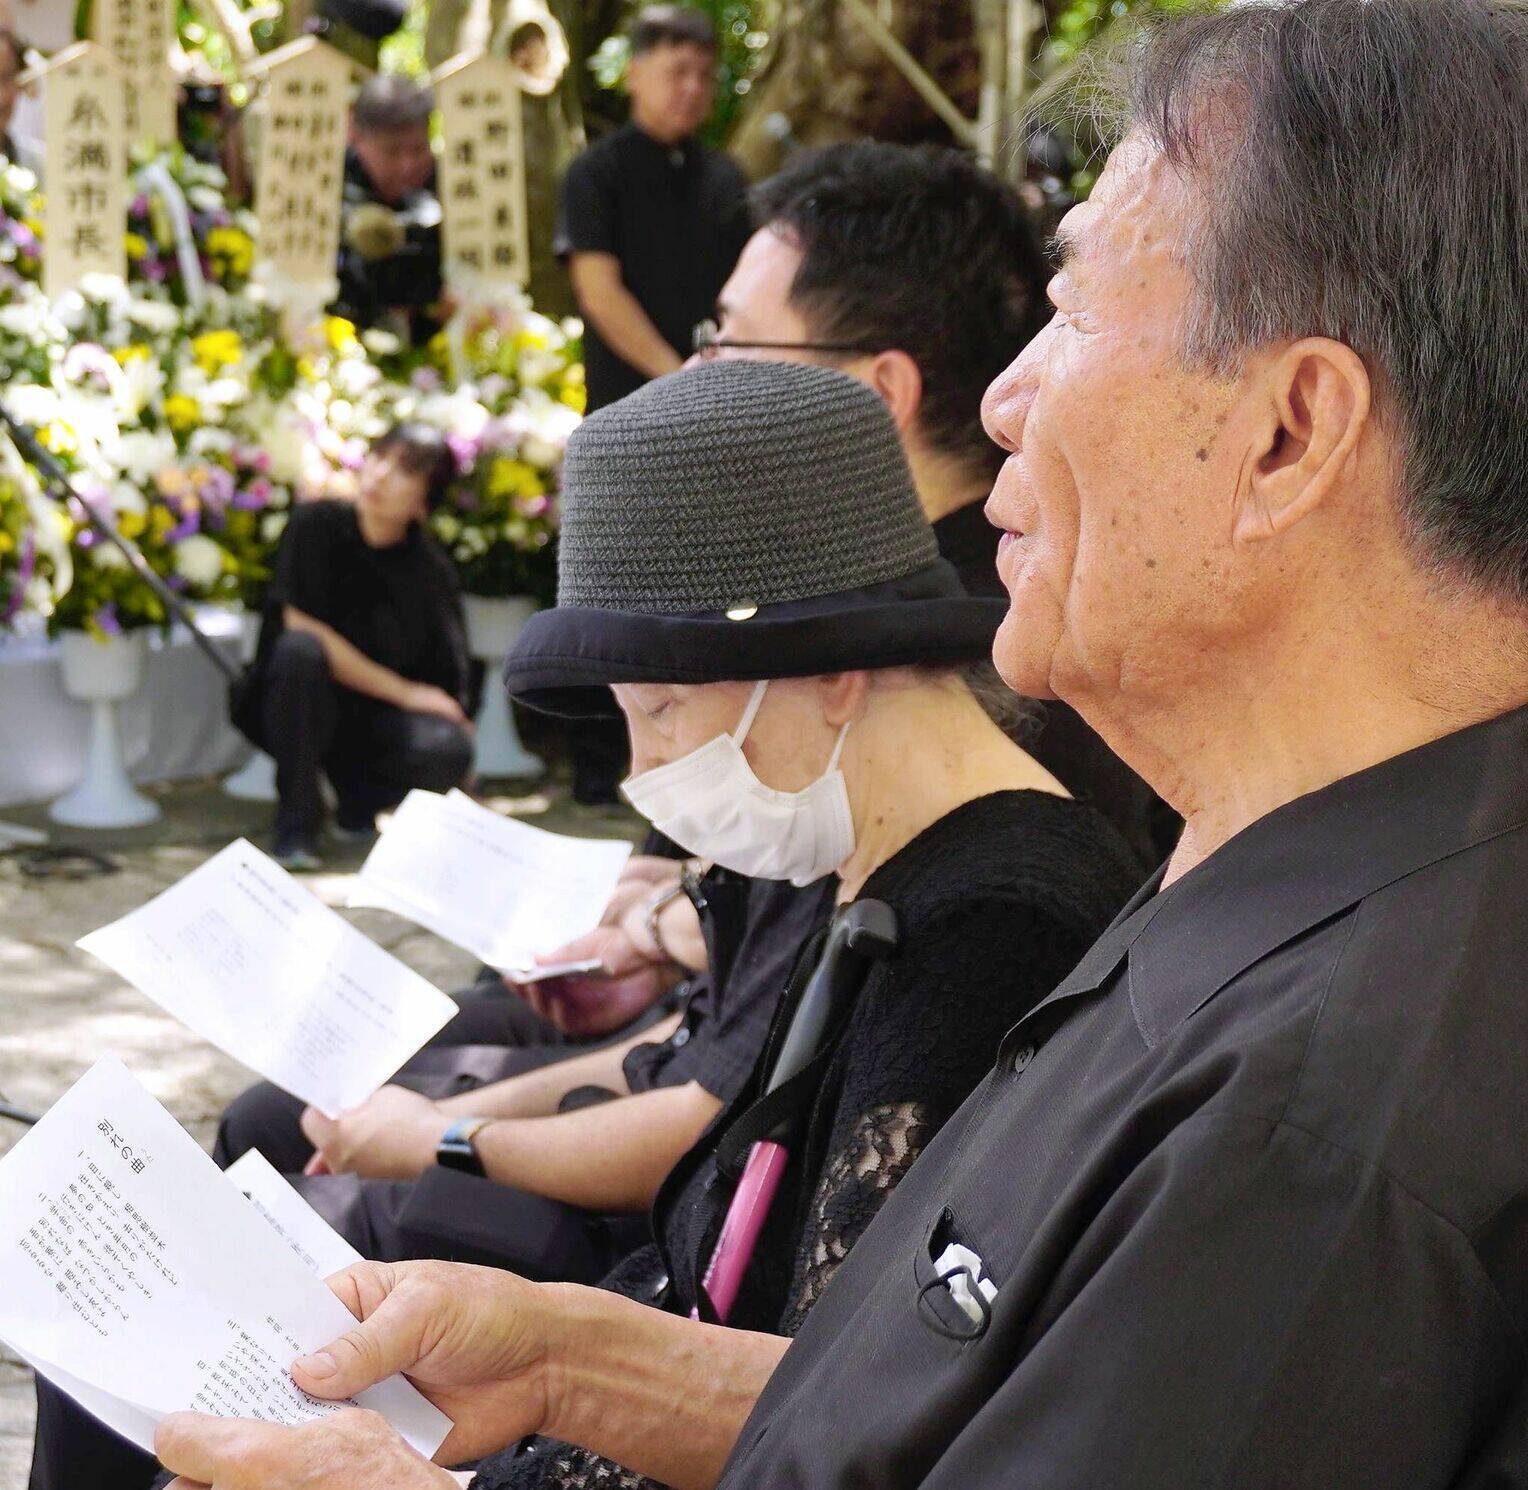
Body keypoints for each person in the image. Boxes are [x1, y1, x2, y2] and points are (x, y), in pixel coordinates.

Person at [153, 2, 1528, 1489]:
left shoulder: (1314, 1137)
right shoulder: (1278, 876)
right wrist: (571, 1354)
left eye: (1068, 315)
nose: (1001, 400)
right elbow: (930, 1405)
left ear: (1289, 429)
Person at [557, 4, 750, 805]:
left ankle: (704, 751)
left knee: (706, 594)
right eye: (676, 71)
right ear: (633, 72)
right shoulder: (595, 174)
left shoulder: (727, 179)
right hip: (625, 418)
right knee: (612, 595)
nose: (692, 89)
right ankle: (599, 763)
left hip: (713, 416)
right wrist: (677, 373)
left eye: (705, 75)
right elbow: (598, 290)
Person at [234, 423, 473, 870]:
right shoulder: (316, 526)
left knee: (448, 746)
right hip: (291, 704)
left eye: (404, 471)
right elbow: (299, 625)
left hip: (372, 724)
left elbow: (446, 683)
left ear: (424, 504)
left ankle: (357, 798)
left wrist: (451, 722)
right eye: (381, 457)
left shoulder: (430, 573)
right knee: (301, 652)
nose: (381, 475)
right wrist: (406, 693)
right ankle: (296, 821)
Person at [335, 74, 446, 342]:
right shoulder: (329, 188)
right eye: (392, 152)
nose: (407, 165)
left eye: (418, 149)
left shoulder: (451, 188)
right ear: (355, 137)